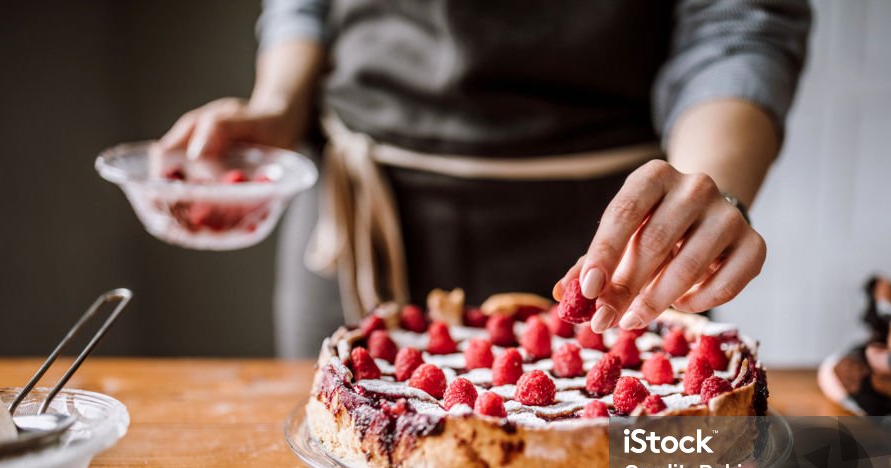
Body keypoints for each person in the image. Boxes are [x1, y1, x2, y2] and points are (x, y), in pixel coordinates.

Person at [160, 0, 811, 357]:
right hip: (362, 216)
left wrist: (707, 183)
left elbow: (739, 20)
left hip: (618, 236)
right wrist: (277, 104)